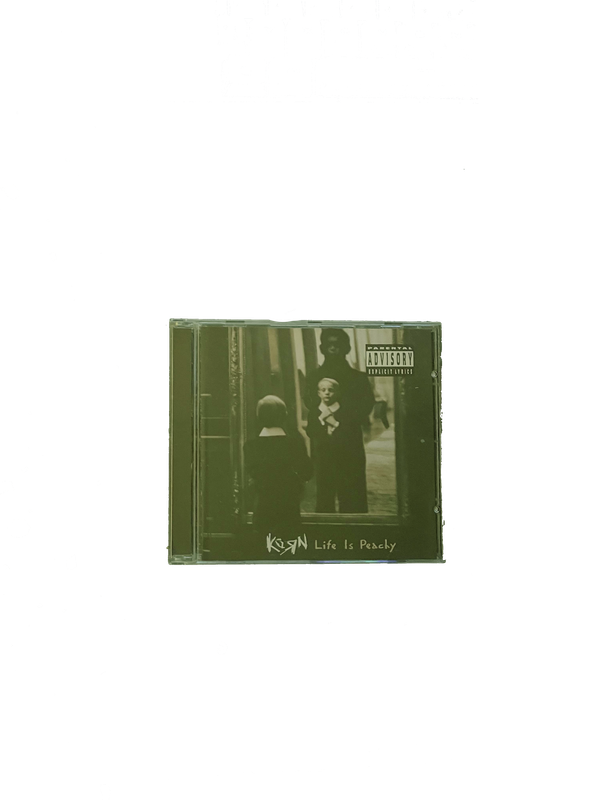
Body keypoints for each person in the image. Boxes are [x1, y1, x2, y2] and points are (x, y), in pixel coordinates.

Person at [305, 329, 375, 512]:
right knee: (325, 491)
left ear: (347, 348)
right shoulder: (313, 378)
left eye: (338, 345)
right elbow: (310, 404)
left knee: (353, 491)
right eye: (329, 344)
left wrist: (342, 421)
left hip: (350, 441)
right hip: (324, 442)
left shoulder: (358, 378)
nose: (333, 349)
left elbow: (366, 405)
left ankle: (355, 525)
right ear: (322, 348)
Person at [243, 395, 313, 542]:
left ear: (259, 417)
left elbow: (254, 475)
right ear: (284, 416)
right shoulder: (295, 443)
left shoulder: (251, 446)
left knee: (263, 547)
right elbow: (307, 473)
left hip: (262, 510)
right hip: (289, 509)